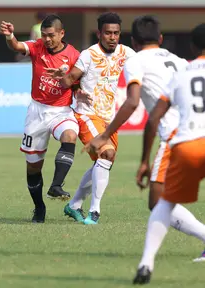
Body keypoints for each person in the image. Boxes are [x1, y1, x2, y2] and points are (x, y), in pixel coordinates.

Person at [87, 15, 205, 263]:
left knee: (157, 201)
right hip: (197, 131)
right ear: (161, 39)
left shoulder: (135, 60)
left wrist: (105, 135)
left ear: (133, 40)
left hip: (178, 137)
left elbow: (132, 102)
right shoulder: (179, 60)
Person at [131, 23, 205, 284]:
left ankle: (146, 262)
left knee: (162, 202)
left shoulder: (183, 72)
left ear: (193, 47)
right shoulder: (178, 64)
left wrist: (143, 161)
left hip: (185, 143)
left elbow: (153, 120)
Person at [46, 12, 135, 224]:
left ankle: (74, 204)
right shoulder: (88, 55)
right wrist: (67, 80)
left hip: (108, 118)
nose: (112, 37)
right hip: (86, 114)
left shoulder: (125, 52)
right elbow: (69, 79)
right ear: (99, 33)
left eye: (116, 33)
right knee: (107, 154)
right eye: (108, 33)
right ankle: (95, 211)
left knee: (104, 162)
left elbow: (145, 64)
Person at [0, 14, 81, 223]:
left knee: (70, 135)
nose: (47, 39)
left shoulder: (73, 55)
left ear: (61, 33)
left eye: (51, 35)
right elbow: (17, 47)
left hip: (61, 111)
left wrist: (68, 82)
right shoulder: (37, 47)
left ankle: (56, 186)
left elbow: (78, 82)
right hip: (37, 112)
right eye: (44, 35)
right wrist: (10, 36)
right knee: (33, 166)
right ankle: (39, 207)